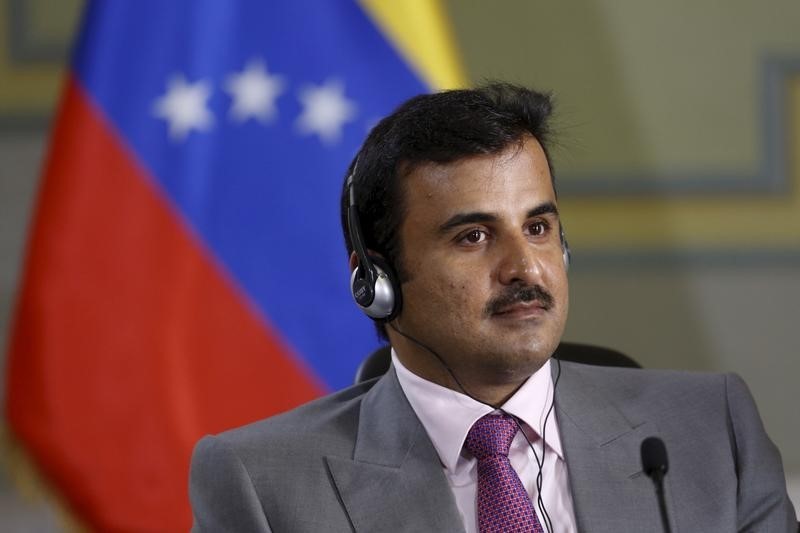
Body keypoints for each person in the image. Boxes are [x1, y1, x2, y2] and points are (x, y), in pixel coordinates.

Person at [189, 83, 797, 532]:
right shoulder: (260, 484)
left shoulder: (712, 430)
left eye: (537, 227)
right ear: (376, 279)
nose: (526, 269)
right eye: (473, 237)